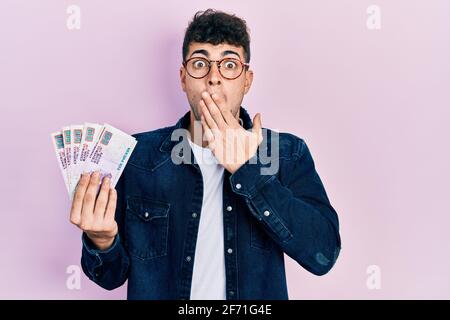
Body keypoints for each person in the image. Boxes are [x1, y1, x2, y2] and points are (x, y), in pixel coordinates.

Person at [69, 9, 341, 300]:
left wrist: (249, 171)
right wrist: (102, 241)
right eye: (200, 63)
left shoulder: (286, 155)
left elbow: (322, 254)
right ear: (184, 78)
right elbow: (111, 278)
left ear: (246, 81)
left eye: (229, 64)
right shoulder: (136, 157)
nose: (214, 78)